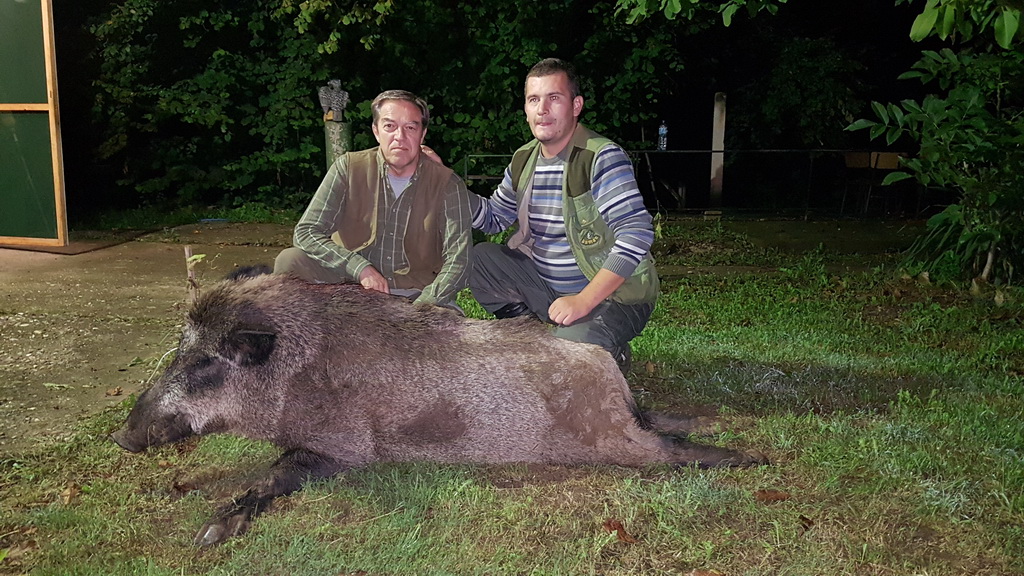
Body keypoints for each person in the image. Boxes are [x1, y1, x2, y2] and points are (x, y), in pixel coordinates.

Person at [469, 58, 659, 371]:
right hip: (550, 290)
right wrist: (446, 185)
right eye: (534, 99)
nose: (542, 109)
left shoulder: (600, 156)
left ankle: (602, 347)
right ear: (526, 109)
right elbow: (493, 219)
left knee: (560, 367)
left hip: (615, 297)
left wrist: (583, 300)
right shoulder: (523, 159)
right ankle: (535, 341)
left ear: (575, 105)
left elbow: (636, 233)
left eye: (553, 98)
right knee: (482, 259)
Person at [275, 89, 473, 309]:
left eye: (410, 127)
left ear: (422, 134)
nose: (400, 136)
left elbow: (459, 260)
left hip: (415, 292)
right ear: (376, 131)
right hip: (350, 282)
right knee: (290, 260)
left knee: (450, 332)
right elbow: (306, 232)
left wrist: (422, 307)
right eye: (390, 126)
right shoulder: (348, 168)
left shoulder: (448, 184)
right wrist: (359, 267)